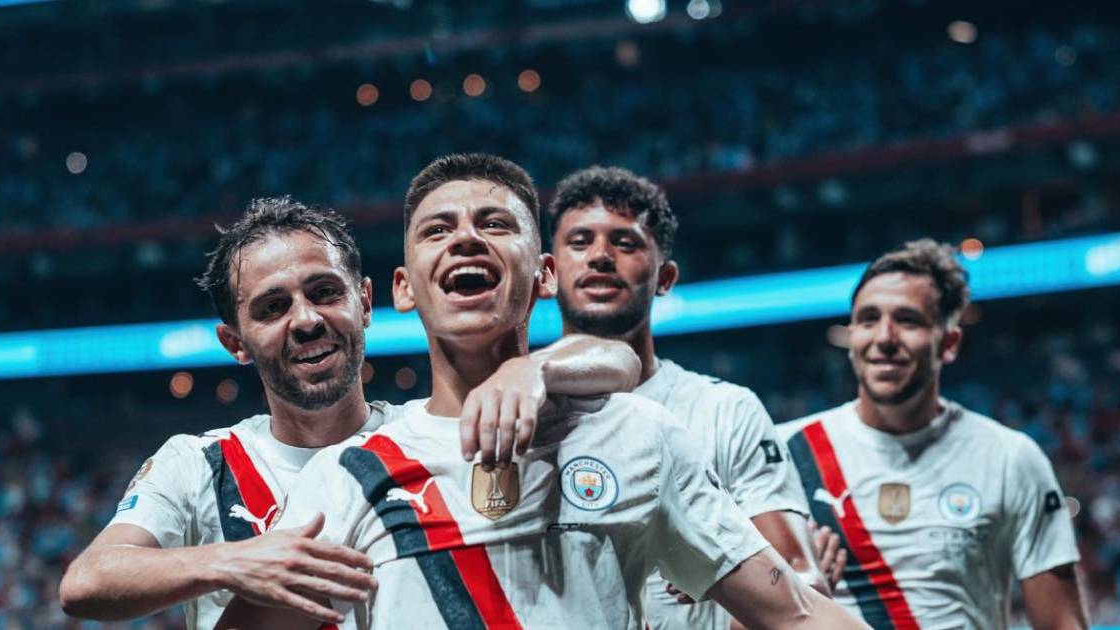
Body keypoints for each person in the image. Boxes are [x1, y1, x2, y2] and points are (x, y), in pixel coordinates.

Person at [216, 153, 867, 629]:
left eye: (495, 223)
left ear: (546, 274)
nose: (465, 238)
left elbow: (796, 613)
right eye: (437, 230)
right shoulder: (348, 476)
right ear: (404, 288)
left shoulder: (639, 433)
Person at [58, 197, 643, 629]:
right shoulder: (198, 464)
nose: (306, 320)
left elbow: (618, 360)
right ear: (235, 343)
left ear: (364, 302)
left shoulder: (427, 436)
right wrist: (233, 561)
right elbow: (88, 581)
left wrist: (533, 368)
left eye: (325, 292)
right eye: (272, 307)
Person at [547, 165, 833, 630]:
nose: (600, 256)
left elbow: (802, 587)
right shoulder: (512, 410)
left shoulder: (725, 410)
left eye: (625, 243)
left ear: (665, 277)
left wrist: (727, 575)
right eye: (580, 242)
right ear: (548, 272)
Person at [778, 239, 1089, 629]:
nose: (884, 337)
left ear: (949, 343)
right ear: (851, 336)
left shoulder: (1009, 457)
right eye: (868, 319)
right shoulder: (782, 453)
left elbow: (1062, 623)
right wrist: (789, 595)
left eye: (907, 321)